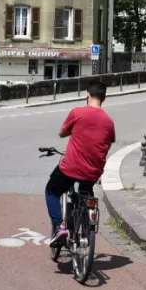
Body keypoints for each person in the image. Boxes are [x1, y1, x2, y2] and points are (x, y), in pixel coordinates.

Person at [46, 80, 116, 247]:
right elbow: (107, 144)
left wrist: (75, 129)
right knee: (85, 191)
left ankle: (58, 227)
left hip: (72, 167)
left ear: (87, 94)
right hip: (93, 171)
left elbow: (62, 133)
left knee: (51, 191)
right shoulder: (109, 122)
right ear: (104, 98)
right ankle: (84, 222)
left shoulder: (77, 112)